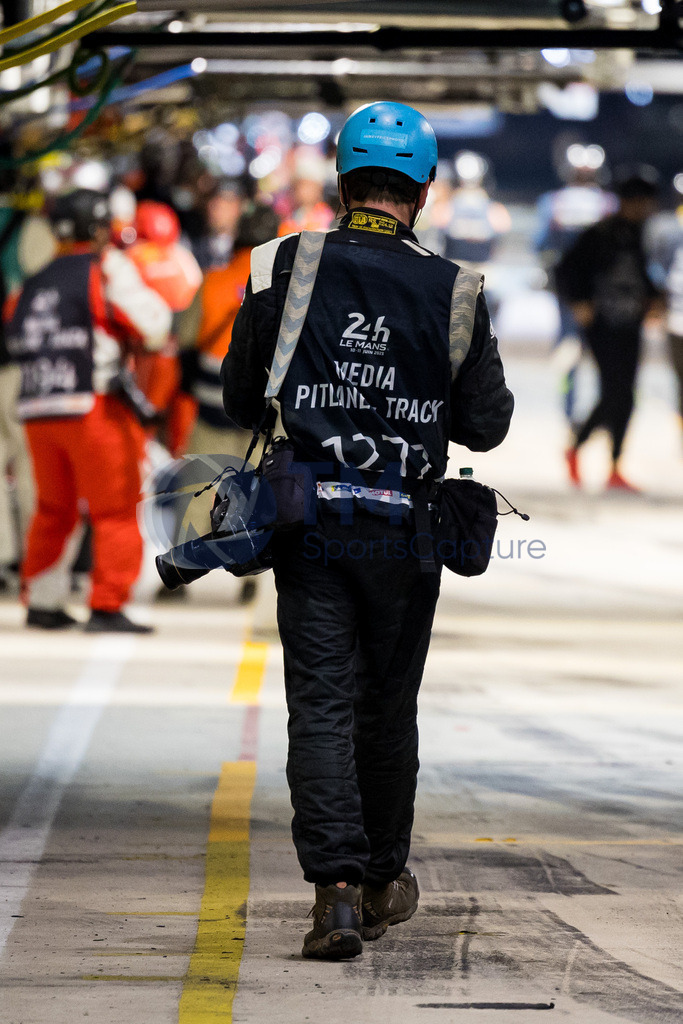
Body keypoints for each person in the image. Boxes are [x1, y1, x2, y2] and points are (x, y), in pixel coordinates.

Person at [221, 101, 513, 959]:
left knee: (319, 707)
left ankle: (335, 897)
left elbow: (242, 399)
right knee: (385, 710)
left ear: (340, 183)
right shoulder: (454, 288)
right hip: (403, 530)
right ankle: (385, 879)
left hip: (308, 521)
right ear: (420, 191)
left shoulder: (278, 265)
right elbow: (486, 425)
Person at [7, 188, 172, 631]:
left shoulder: (35, 277)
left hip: (38, 408)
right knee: (116, 507)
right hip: (93, 405)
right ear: (98, 228)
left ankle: (42, 601)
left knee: (52, 508)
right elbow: (154, 323)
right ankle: (107, 603)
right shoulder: (106, 267)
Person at [557, 170, 660, 491]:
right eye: (643, 203)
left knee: (625, 396)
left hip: (631, 325)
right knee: (615, 392)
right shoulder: (600, 233)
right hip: (603, 326)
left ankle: (614, 467)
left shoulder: (640, 234)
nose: (647, 210)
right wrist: (579, 303)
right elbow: (565, 269)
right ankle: (576, 447)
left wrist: (655, 298)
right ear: (631, 202)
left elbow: (642, 277)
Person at [534, 164, 617, 421]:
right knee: (607, 351)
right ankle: (607, 410)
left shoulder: (554, 202)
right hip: (602, 291)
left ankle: (568, 410)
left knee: (569, 347)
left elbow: (540, 243)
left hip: (567, 290)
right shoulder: (608, 203)